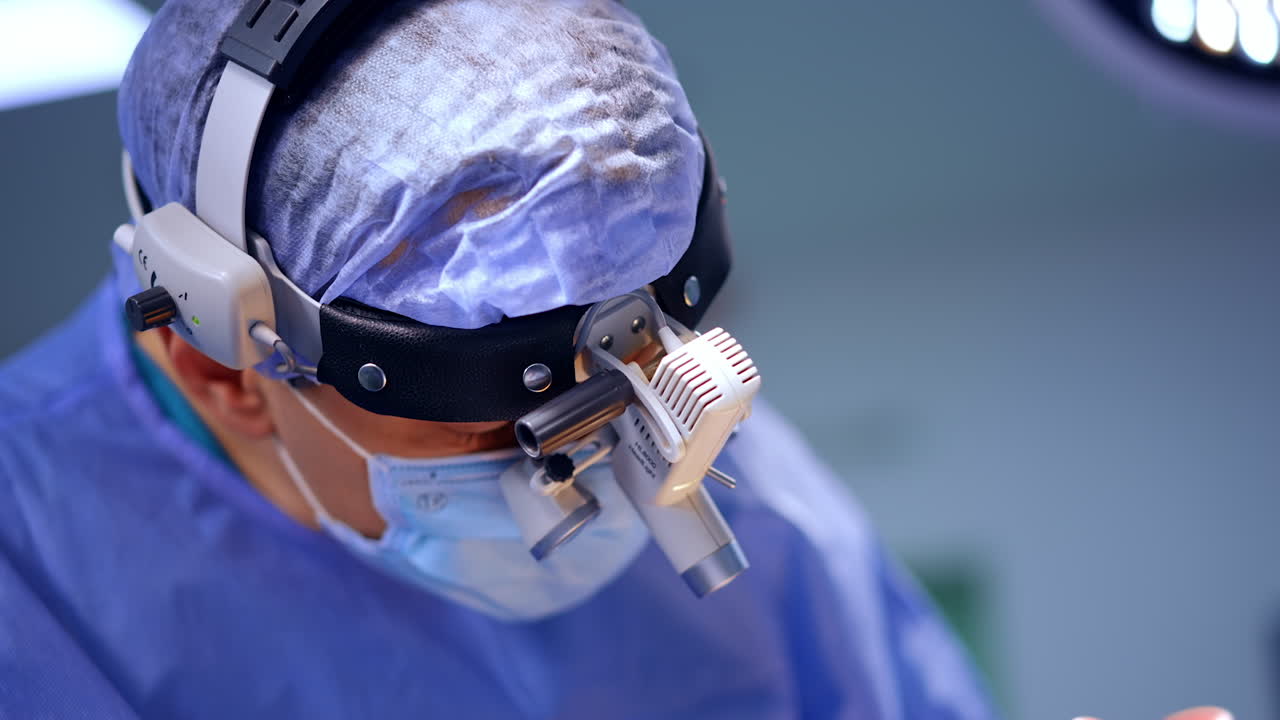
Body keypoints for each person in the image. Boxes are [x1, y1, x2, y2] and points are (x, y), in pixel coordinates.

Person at [0, 1, 999, 718]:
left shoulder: (722, 470)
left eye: (635, 376)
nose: (605, 468)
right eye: (500, 429)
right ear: (223, 372)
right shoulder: (32, 580)